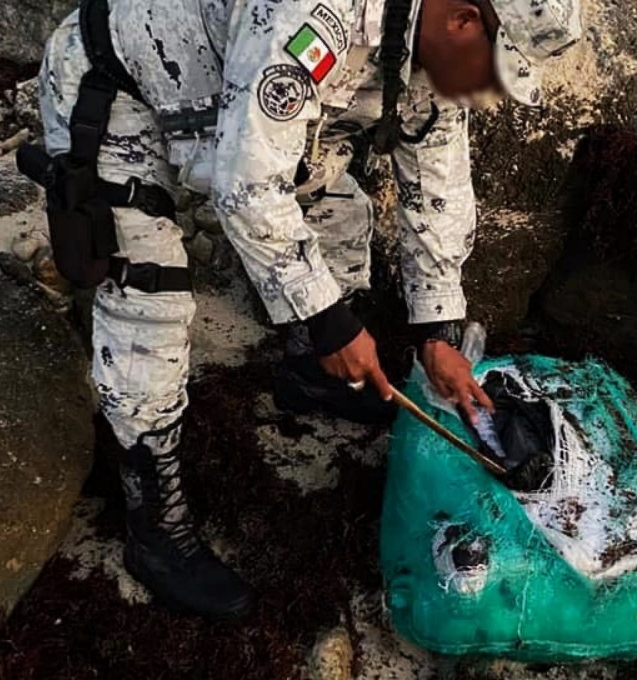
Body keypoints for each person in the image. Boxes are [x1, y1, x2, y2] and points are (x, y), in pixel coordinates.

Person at [32, 0, 582, 620]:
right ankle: (156, 530)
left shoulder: (431, 44)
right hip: (120, 84)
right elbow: (247, 186)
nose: (482, 91)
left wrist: (436, 328)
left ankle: (306, 376)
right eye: (489, 71)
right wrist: (328, 323)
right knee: (148, 298)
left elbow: (438, 184)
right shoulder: (312, 11)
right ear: (462, 19)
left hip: (231, 92)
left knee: (338, 216)